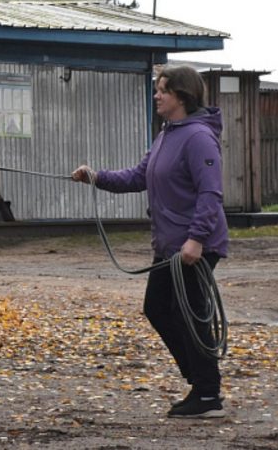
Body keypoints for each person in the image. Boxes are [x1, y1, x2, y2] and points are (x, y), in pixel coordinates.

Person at [71, 64, 228, 419]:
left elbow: (211, 192)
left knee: (192, 315)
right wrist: (96, 177)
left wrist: (196, 240)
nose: (156, 95)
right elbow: (139, 176)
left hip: (192, 247)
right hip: (169, 245)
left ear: (182, 96)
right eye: (157, 89)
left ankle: (207, 393)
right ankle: (202, 382)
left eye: (162, 90)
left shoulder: (198, 137)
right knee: (157, 308)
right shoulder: (168, 133)